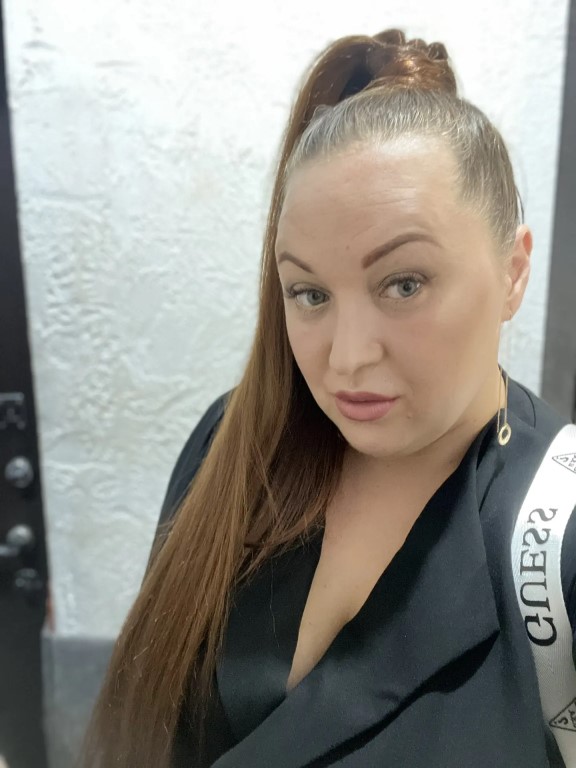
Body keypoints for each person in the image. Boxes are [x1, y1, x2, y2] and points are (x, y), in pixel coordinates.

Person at [80, 27, 575, 768]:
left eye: (403, 284)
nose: (346, 359)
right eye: (309, 293)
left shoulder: (557, 536)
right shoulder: (233, 441)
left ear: (513, 271)